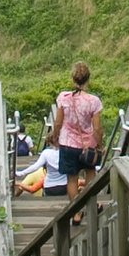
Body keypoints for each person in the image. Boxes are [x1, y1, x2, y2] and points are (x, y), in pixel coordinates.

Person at [49, 62, 103, 214]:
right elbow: (97, 128)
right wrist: (99, 144)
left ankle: (77, 214)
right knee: (90, 175)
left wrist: (54, 136)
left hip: (67, 144)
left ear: (73, 79)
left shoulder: (63, 98)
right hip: (88, 146)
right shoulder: (94, 101)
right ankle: (92, 205)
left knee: (72, 179)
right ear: (88, 79)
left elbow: (58, 122)